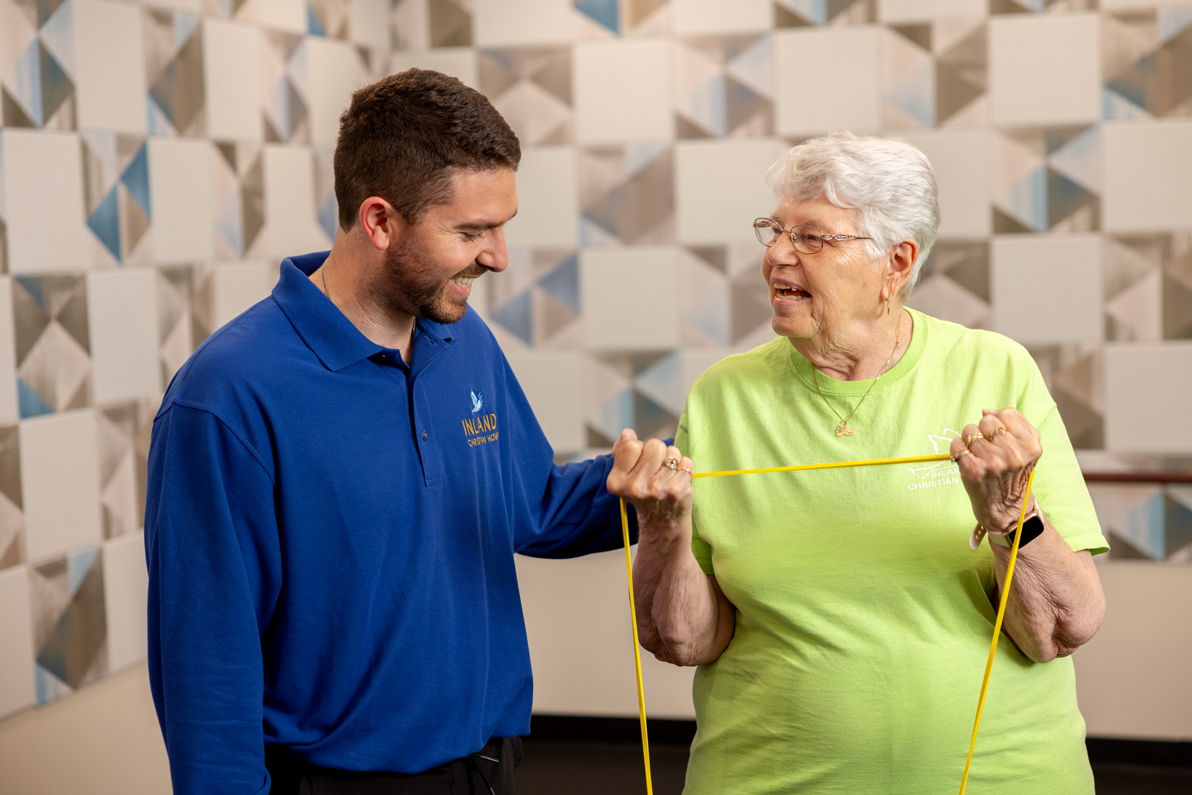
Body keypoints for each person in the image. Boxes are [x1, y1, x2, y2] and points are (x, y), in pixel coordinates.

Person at [144, 69, 644, 795]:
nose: (499, 255)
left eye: (502, 225)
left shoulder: (460, 337)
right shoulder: (225, 396)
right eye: (472, 231)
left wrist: (644, 487)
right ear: (379, 220)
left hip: (488, 764)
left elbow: (530, 504)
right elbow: (206, 668)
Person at [606, 131, 1108, 794]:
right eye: (775, 230)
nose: (777, 255)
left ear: (896, 263)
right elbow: (684, 640)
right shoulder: (722, 395)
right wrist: (664, 529)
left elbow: (1060, 629)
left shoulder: (995, 371)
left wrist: (1013, 514)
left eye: (812, 237)